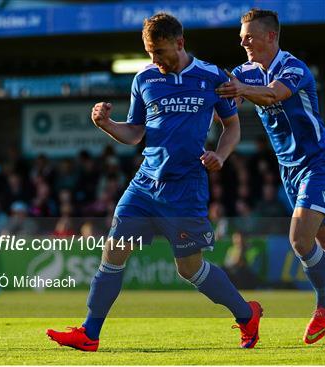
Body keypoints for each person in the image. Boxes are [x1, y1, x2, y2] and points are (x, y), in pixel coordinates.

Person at [46, 12, 263, 352]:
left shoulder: (211, 76)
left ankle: (245, 314)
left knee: (189, 269)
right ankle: (90, 332)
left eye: (160, 52)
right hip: (145, 184)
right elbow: (135, 133)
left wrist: (221, 155)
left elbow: (231, 125)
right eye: (150, 52)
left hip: (186, 188)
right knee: (114, 249)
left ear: (180, 43)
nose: (155, 60)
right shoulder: (145, 78)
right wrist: (106, 124)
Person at [216, 8, 325, 344]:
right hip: (289, 168)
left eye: (249, 37)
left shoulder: (293, 67)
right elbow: (230, 98)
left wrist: (238, 88)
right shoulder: (245, 72)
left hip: (319, 162)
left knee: (299, 239)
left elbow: (274, 94)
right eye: (241, 38)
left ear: (270, 36)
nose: (244, 43)